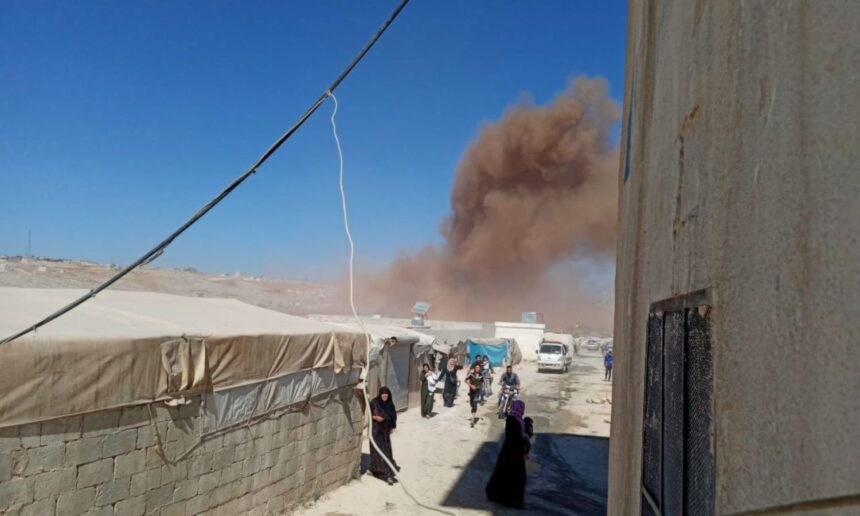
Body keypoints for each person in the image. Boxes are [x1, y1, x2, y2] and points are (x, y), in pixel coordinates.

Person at [485, 399, 531, 509]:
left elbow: (520, 436)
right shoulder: (513, 421)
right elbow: (515, 439)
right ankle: (511, 501)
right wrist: (523, 451)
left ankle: (502, 497)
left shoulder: (517, 419)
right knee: (515, 478)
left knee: (505, 475)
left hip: (510, 453)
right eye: (522, 409)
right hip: (513, 454)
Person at [369, 386, 399, 485]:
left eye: (386, 395)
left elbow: (393, 416)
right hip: (376, 432)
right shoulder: (374, 403)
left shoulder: (390, 404)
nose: (385, 396)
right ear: (380, 394)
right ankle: (387, 475)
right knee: (378, 452)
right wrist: (375, 418)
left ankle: (381, 471)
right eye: (383, 394)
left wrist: (391, 426)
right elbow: (368, 414)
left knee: (386, 452)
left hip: (385, 433)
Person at [465, 363, 484, 428]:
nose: (477, 368)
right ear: (474, 368)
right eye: (476, 367)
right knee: (471, 404)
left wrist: (481, 388)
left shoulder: (481, 376)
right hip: (471, 392)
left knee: (475, 404)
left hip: (477, 392)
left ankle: (472, 420)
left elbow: (482, 383)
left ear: (480, 369)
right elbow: (465, 380)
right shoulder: (471, 374)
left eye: (478, 367)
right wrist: (471, 385)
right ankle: (473, 413)